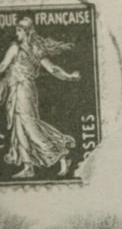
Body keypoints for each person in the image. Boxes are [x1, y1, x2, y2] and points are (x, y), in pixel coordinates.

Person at [0, 16, 80, 179]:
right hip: (17, 90)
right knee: (19, 127)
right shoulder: (20, 48)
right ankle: (28, 166)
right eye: (17, 29)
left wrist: (69, 76)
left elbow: (53, 69)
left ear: (27, 32)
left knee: (29, 126)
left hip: (24, 90)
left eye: (20, 30)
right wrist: (70, 76)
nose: (17, 33)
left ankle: (61, 153)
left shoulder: (24, 49)